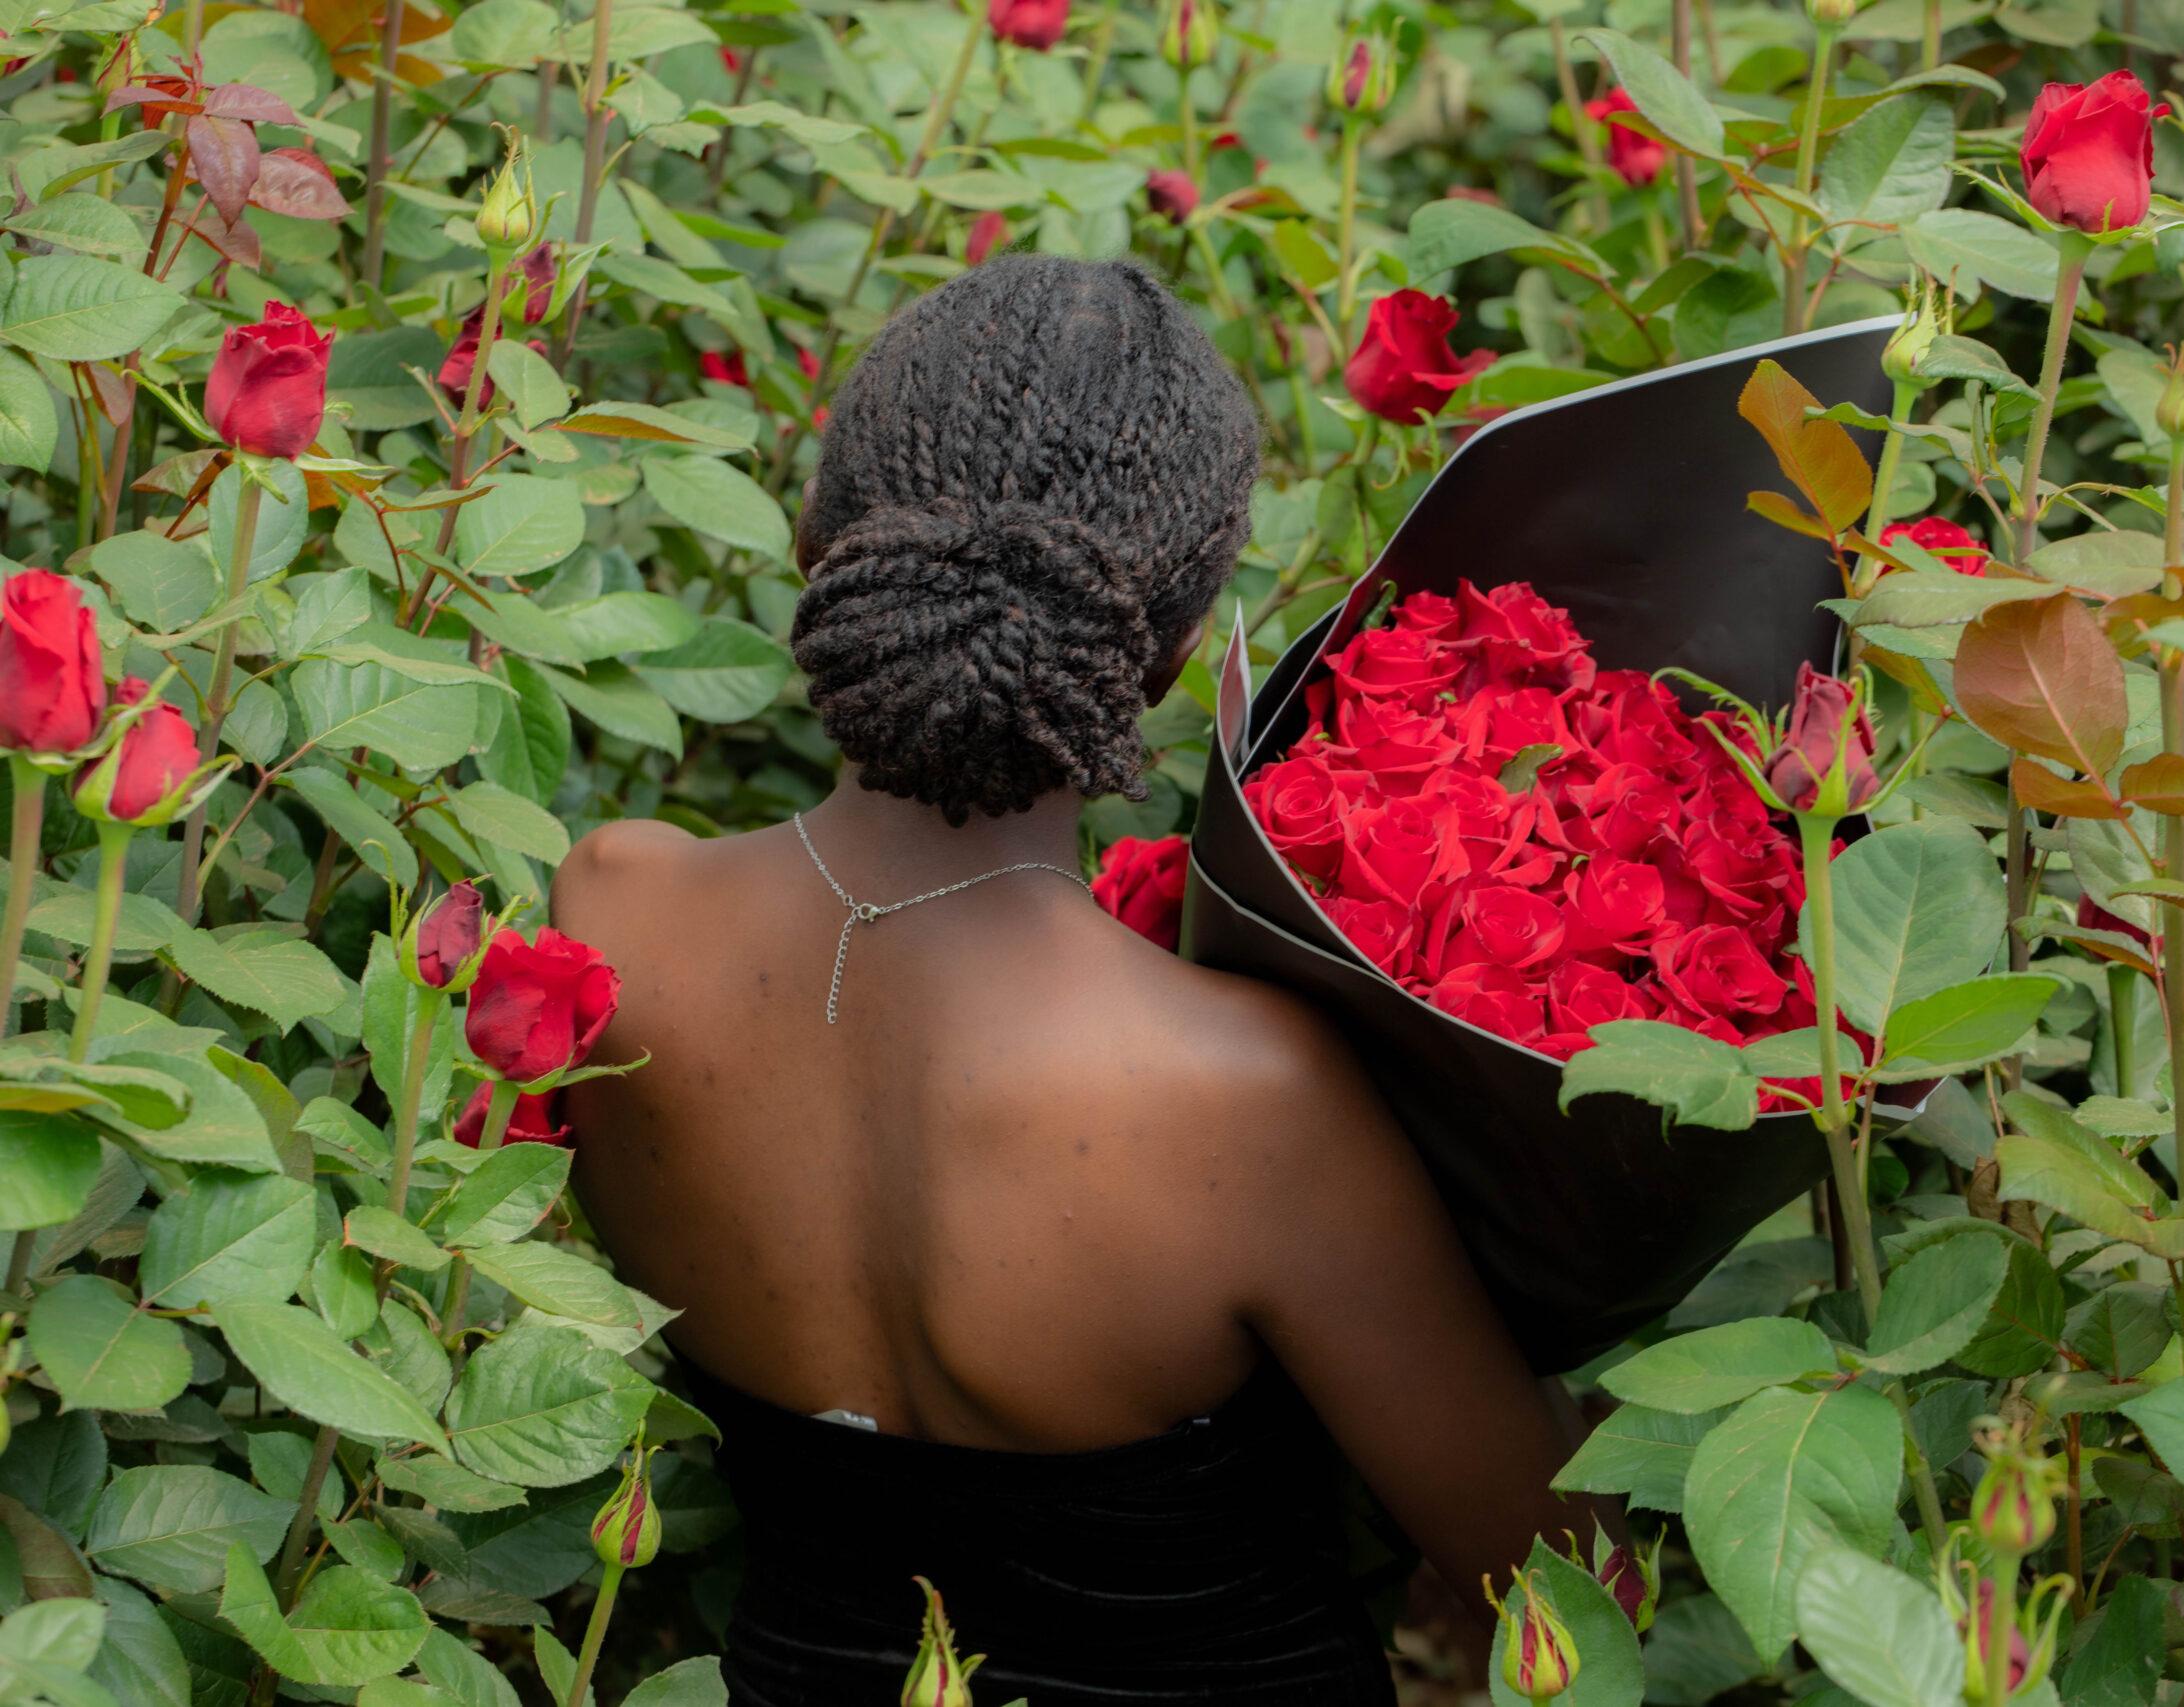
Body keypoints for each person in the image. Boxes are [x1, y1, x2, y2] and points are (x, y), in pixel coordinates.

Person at [556, 254, 1602, 1707]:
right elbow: (1558, 1590)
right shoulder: (1242, 1095)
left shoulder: (612, 914)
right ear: (1174, 658)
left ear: (816, 542)